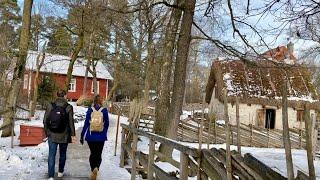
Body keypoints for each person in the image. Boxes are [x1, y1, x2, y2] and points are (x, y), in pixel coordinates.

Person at [43, 89, 76, 180]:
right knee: (62, 154)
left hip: (52, 135)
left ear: (57, 95)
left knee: (51, 155)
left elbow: (45, 120)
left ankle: (50, 176)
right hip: (64, 135)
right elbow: (71, 122)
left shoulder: (50, 105)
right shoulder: (68, 107)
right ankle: (60, 171)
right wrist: (73, 134)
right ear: (65, 96)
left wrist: (47, 133)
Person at [80, 95, 109, 180]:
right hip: (101, 137)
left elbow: (86, 124)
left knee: (93, 153)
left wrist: (82, 136)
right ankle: (97, 168)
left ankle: (93, 169)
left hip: (91, 137)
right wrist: (104, 133)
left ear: (94, 101)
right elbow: (107, 124)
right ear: (101, 101)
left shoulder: (90, 110)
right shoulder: (104, 110)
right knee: (98, 154)